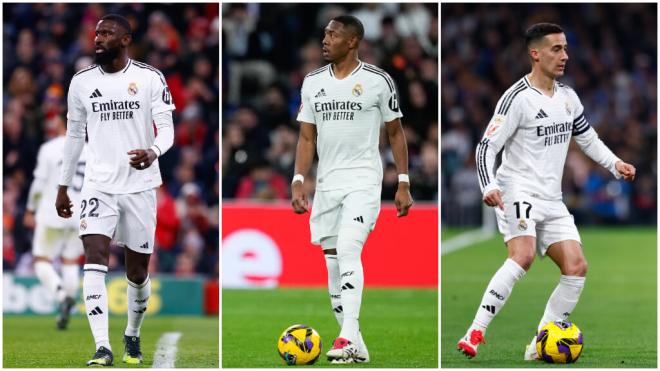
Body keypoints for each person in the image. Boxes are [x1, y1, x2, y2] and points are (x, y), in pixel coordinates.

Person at [457, 23, 636, 360]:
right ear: (535, 54)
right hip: (517, 189)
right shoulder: (516, 99)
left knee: (577, 266)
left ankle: (538, 344)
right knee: (522, 256)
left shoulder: (568, 97)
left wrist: (615, 164)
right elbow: (485, 148)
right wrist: (489, 184)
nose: (565, 56)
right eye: (556, 49)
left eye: (566, 48)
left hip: (551, 198)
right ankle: (475, 332)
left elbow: (587, 139)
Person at [291, 15, 413, 364]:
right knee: (331, 261)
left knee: (347, 248)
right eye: (325, 34)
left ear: (353, 41)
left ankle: (346, 334)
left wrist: (403, 182)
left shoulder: (378, 81)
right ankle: (355, 342)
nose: (325, 40)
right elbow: (306, 136)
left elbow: (395, 132)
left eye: (333, 34)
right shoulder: (313, 82)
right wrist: (299, 179)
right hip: (327, 183)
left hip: (363, 179)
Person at [55, 14, 175, 366]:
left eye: (107, 33)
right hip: (98, 184)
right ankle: (102, 347)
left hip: (139, 186)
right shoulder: (80, 83)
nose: (98, 38)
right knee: (93, 255)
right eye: (96, 33)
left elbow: (166, 128)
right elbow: (75, 136)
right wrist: (64, 187)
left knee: (137, 273)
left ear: (125, 40)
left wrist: (154, 151)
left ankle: (132, 334)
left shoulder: (149, 77)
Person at [24, 116, 86, 330]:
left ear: (63, 122)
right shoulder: (90, 149)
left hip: (52, 212)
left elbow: (39, 183)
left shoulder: (49, 148)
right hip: (79, 213)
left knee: (41, 259)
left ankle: (61, 296)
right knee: (70, 261)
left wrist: (30, 209)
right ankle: (67, 306)